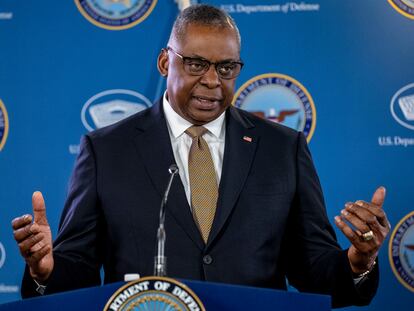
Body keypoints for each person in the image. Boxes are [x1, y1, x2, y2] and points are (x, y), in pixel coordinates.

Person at [11, 4, 390, 308]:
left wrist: (357, 262)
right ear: (165, 63)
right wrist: (46, 270)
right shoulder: (107, 150)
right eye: (196, 64)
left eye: (226, 68)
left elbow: (314, 272)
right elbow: (76, 273)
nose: (212, 81)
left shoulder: (283, 149)